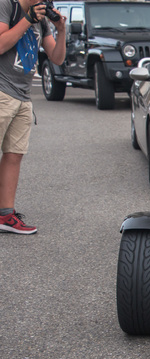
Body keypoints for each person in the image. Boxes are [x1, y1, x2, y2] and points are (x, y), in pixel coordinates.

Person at [0, 0, 66, 234]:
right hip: (2, 92)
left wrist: (61, 30)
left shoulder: (41, 20)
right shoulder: (7, 7)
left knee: (14, 155)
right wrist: (27, 19)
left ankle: (5, 216)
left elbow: (56, 58)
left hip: (23, 96)